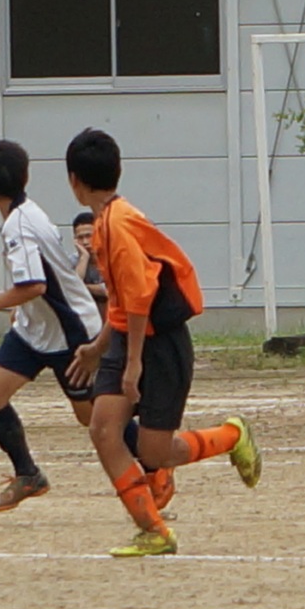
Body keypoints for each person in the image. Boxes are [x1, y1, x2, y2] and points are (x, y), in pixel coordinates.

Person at [64, 127, 262, 557]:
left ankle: (232, 435)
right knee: (103, 429)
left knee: (155, 451)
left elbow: (140, 296)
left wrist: (133, 363)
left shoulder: (117, 225)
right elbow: (122, 301)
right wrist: (100, 347)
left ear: (74, 181)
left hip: (159, 344)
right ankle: (154, 530)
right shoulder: (106, 223)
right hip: (128, 338)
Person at [0, 139, 148, 513]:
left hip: (69, 331)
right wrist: (21, 311)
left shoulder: (19, 226)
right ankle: (28, 475)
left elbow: (35, 286)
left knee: (92, 416)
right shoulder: (26, 213)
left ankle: (154, 467)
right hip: (34, 330)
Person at [72, 211, 108, 321]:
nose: (85, 242)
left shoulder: (111, 258)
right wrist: (84, 257)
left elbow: (108, 291)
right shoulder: (74, 260)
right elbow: (73, 290)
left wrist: (83, 288)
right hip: (86, 318)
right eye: (80, 238)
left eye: (89, 236)